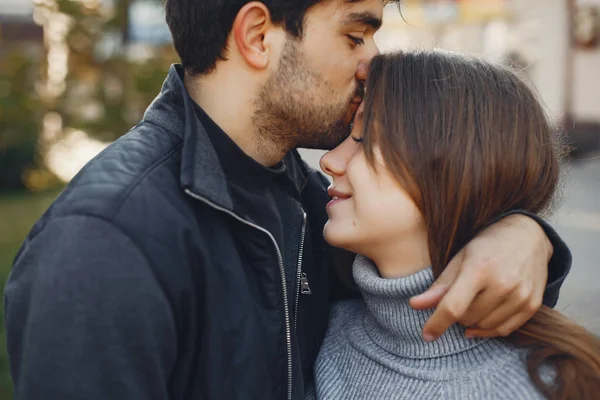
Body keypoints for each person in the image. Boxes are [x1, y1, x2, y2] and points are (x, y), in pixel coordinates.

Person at [4, 1, 570, 399]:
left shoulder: (306, 199)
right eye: (355, 34)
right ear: (257, 35)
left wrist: (523, 232)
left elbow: (425, 255)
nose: (372, 61)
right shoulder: (105, 243)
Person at [314, 49, 600, 400]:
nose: (329, 161)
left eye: (363, 140)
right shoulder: (311, 324)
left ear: (457, 167)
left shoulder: (547, 384)